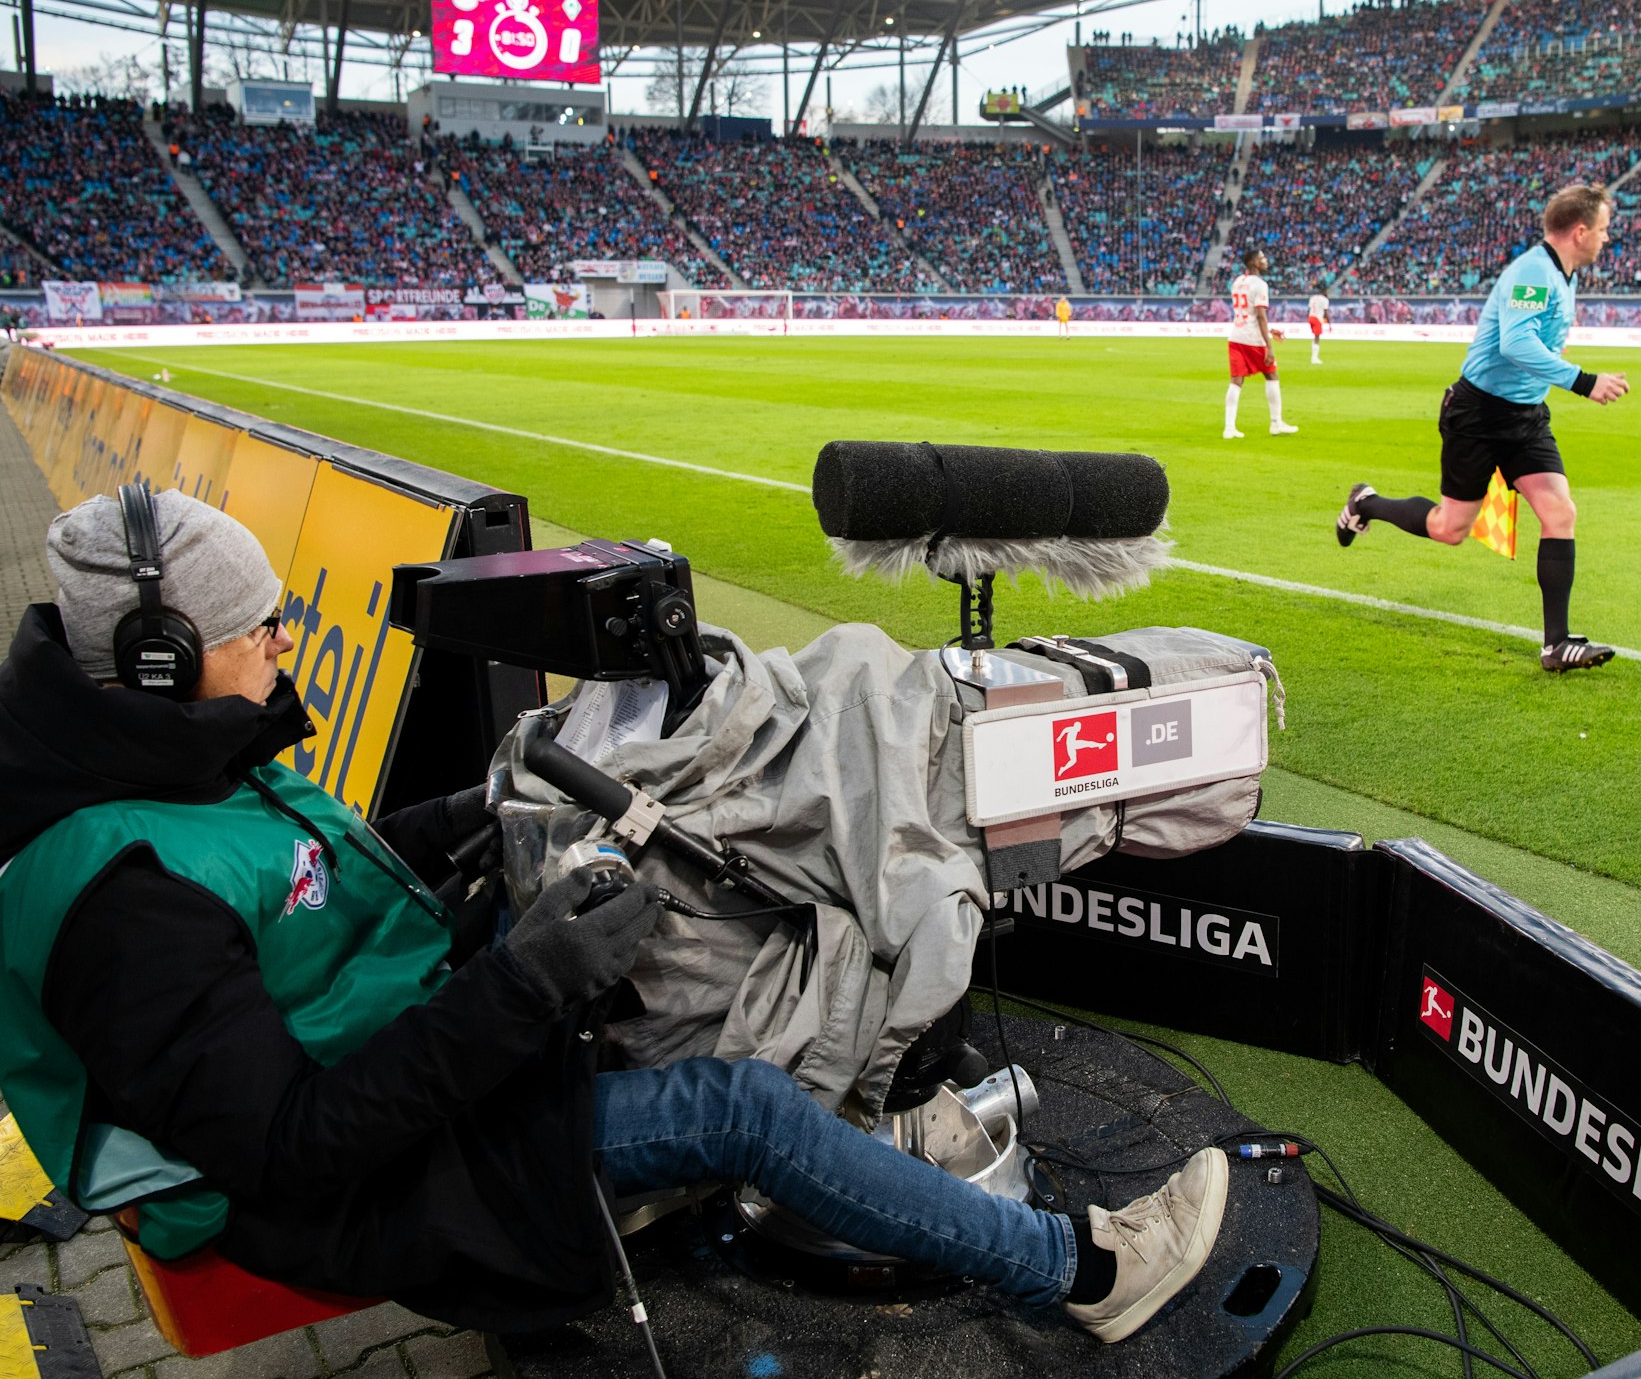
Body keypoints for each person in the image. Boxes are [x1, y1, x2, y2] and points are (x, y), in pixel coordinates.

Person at [0, 488, 1229, 1344]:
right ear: (162, 657)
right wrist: (526, 983)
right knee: (737, 1108)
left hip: (385, 1056)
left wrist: (472, 815)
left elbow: (302, 907)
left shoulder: (152, 754)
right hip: (352, 1194)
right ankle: (1084, 1272)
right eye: (255, 627)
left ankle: (883, 1134)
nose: (280, 641)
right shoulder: (123, 901)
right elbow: (289, 1146)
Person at [1334, 184, 1629, 675]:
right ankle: (1365, 503)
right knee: (1451, 530)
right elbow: (1515, 343)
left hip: (1526, 417)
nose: (1605, 237)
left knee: (1560, 512)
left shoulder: (1563, 273)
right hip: (1479, 415)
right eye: (1602, 229)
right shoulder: (1534, 272)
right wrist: (1584, 381)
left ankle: (1555, 645)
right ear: (1580, 231)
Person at [1224, 249, 1297, 439]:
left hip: (1236, 336)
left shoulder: (1237, 282)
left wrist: (1270, 330)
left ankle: (1229, 428)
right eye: (1262, 258)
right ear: (1254, 263)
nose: (1266, 260)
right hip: (1253, 340)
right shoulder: (1260, 285)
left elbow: (1248, 314)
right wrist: (1270, 346)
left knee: (1236, 381)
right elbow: (1260, 316)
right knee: (1272, 375)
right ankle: (1276, 423)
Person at [1307, 286, 1329, 365]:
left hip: (1311, 317)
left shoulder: (1313, 297)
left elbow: (1309, 309)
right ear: (1323, 291)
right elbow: (1326, 312)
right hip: (1317, 319)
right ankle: (1314, 358)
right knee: (1317, 337)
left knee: (1315, 337)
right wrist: (1329, 323)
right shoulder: (1324, 299)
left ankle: (1314, 357)